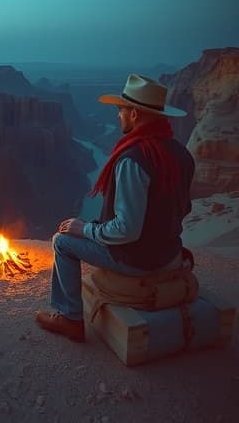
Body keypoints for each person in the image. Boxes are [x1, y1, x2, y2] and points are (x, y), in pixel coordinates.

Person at [36, 73, 195, 342]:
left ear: (134, 113)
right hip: (170, 254)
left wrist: (85, 228)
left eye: (120, 110)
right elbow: (181, 209)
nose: (117, 116)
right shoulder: (181, 153)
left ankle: (70, 318)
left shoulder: (134, 159)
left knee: (62, 241)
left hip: (139, 260)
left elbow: (127, 230)